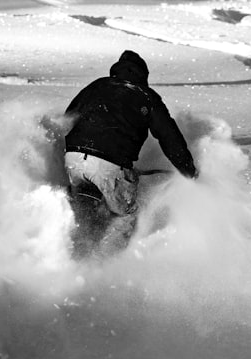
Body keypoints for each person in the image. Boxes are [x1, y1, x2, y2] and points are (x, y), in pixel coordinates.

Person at [63, 49, 198, 256]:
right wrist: (188, 170)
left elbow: (67, 118)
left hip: (74, 158)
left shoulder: (97, 85)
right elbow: (169, 136)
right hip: (109, 164)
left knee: (86, 205)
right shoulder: (146, 96)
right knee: (126, 214)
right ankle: (108, 266)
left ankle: (75, 248)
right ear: (142, 76)